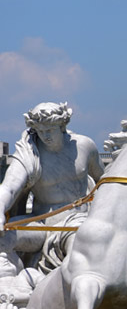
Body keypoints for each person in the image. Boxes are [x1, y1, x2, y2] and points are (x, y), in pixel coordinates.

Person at [0, 102, 104, 278]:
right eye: (40, 131)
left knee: (78, 245)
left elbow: (104, 181)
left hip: (78, 221)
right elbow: (9, 188)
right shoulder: (30, 153)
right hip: (41, 224)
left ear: (62, 126)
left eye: (50, 130)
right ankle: (10, 283)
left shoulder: (85, 147)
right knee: (5, 238)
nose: (45, 136)